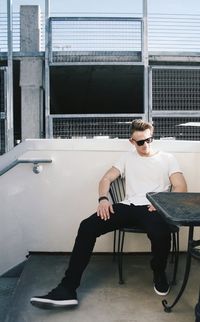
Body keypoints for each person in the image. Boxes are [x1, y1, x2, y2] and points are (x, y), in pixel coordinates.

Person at [30, 119, 187, 309]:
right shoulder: (127, 158)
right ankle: (67, 289)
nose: (146, 145)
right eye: (140, 142)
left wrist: (162, 203)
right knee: (87, 226)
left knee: (160, 233)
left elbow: (180, 186)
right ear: (131, 141)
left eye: (149, 140)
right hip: (128, 206)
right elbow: (106, 178)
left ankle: (159, 273)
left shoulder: (167, 158)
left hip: (154, 207)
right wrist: (103, 199)